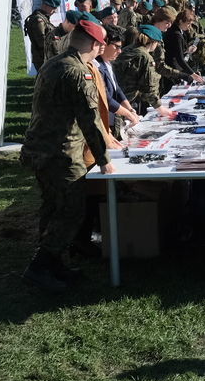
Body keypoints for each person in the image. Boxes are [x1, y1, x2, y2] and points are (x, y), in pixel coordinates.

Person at [19, 20, 114, 292]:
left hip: (40, 149)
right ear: (96, 45)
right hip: (62, 153)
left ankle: (53, 264)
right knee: (72, 210)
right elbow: (90, 121)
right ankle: (40, 266)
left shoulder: (53, 63)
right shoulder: (77, 73)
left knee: (52, 207)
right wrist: (104, 159)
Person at [97, 25, 142, 140]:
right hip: (101, 122)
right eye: (116, 47)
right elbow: (105, 98)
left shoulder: (107, 62)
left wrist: (130, 109)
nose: (120, 51)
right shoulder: (96, 66)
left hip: (110, 119)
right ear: (105, 43)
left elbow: (116, 89)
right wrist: (128, 114)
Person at [113, 25, 164, 115]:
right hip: (127, 101)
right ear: (153, 42)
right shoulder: (145, 57)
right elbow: (148, 88)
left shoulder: (126, 50)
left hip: (115, 98)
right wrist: (160, 108)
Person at [24, 0, 59, 70]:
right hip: (43, 58)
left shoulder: (44, 19)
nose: (54, 11)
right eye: (53, 7)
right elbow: (42, 42)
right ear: (45, 5)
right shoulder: (39, 20)